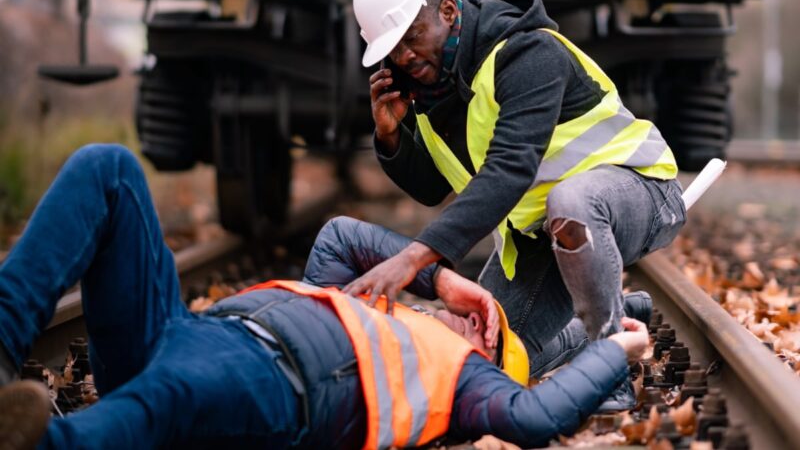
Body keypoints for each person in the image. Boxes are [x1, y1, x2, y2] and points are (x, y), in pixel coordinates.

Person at [0, 144, 649, 449]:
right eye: (472, 309)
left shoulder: (463, 384)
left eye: (483, 325)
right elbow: (341, 235)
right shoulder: (375, 307)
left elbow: (536, 417)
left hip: (266, 385)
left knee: (167, 394)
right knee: (107, 168)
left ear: (484, 352)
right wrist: (437, 275)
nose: (468, 315)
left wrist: (619, 346)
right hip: (180, 333)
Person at [346, 0, 686, 409]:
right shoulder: (431, 88)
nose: (405, 57)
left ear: (447, 10)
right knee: (488, 359)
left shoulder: (528, 51)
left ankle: (612, 369)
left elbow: (511, 167)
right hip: (542, 235)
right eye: (393, 51)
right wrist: (390, 136)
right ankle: (617, 319)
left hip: (640, 193)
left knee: (573, 200)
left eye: (412, 37)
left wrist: (412, 259)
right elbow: (431, 188)